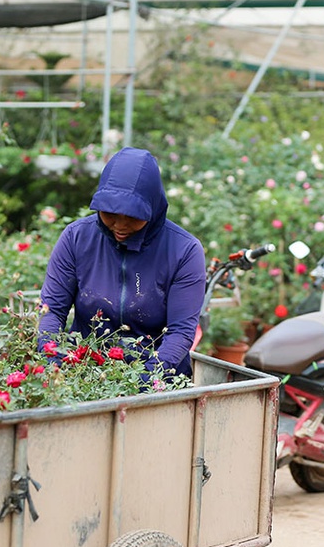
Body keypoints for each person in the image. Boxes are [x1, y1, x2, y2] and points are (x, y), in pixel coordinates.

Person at [38, 146, 206, 379]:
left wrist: (142, 384)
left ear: (152, 209)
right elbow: (52, 311)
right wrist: (51, 361)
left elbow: (180, 333)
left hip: (157, 380)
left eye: (133, 216)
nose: (120, 225)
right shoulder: (76, 238)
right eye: (110, 213)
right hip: (85, 372)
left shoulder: (184, 251)